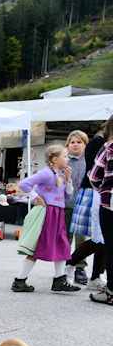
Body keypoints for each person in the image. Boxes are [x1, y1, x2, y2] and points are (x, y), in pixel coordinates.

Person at [12, 145, 81, 293]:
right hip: (48, 213)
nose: (68, 158)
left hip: (57, 213)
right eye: (65, 156)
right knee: (38, 246)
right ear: (55, 159)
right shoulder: (46, 173)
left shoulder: (60, 175)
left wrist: (68, 180)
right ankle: (20, 280)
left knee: (63, 245)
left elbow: (67, 196)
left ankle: (59, 279)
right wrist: (36, 197)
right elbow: (24, 184)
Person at [71, 129, 107, 291]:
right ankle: (68, 266)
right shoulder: (99, 143)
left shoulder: (103, 144)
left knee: (104, 239)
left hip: (102, 192)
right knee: (99, 238)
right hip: (94, 192)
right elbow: (94, 174)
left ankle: (95, 276)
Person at [87, 120, 113, 305]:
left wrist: (103, 189)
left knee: (111, 246)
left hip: (110, 203)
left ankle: (111, 292)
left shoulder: (108, 147)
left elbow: (95, 176)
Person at [64, 130, 89, 284]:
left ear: (85, 145)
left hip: (84, 203)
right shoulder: (64, 159)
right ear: (68, 144)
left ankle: (80, 266)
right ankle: (64, 265)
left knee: (82, 239)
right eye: (72, 142)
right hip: (66, 204)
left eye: (79, 142)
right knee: (65, 237)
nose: (75, 145)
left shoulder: (89, 159)